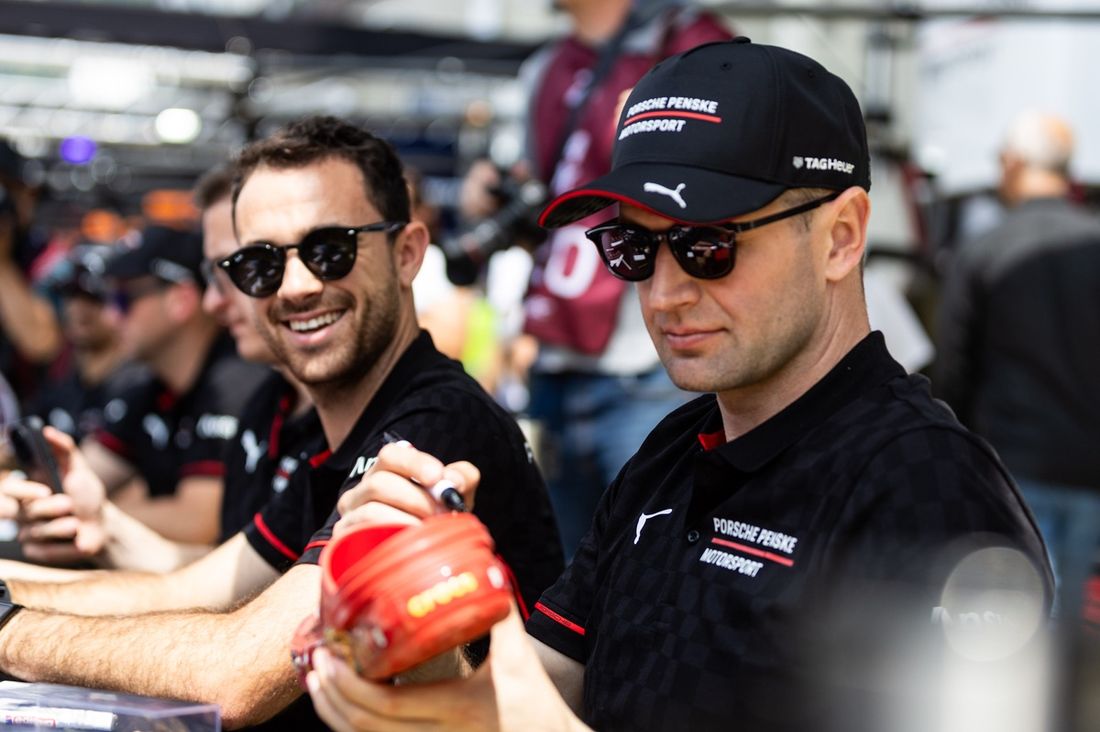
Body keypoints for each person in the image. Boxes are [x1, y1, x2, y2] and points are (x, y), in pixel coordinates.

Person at [308, 40, 1054, 732]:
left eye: (707, 245)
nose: (664, 294)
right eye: (633, 246)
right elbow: (529, 695)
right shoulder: (673, 450)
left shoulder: (924, 489)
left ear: (841, 237)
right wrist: (416, 604)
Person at [0, 116, 562, 730]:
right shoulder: (336, 430)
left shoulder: (434, 423)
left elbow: (235, 676)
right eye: (261, 265)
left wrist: (8, 629)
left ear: (407, 254)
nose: (295, 286)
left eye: (331, 250)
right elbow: (189, 589)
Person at [461, 0, 731, 557]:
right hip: (556, 367)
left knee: (654, 571)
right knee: (565, 586)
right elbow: (544, 206)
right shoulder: (545, 68)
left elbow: (730, 198)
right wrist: (489, 197)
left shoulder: (699, 45)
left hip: (651, 371)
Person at [935, 111, 1100, 621]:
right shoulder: (1092, 243)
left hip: (1011, 468)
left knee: (1016, 621)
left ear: (1012, 163)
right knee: (1069, 619)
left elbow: (954, 364)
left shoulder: (986, 249)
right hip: (1090, 467)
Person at [26, 244, 148, 442]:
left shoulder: (140, 388)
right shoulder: (60, 385)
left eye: (94, 298)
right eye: (71, 295)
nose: (78, 309)